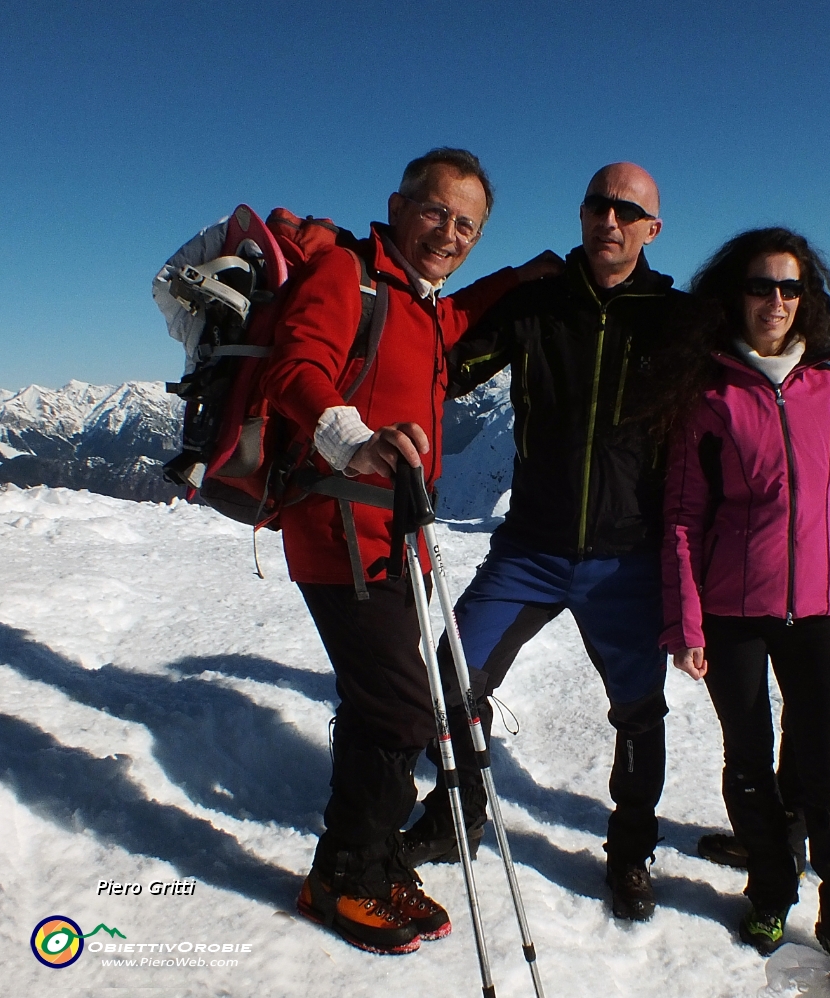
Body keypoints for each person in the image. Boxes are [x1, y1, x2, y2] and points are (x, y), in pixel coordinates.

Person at [259, 148, 561, 954]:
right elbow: (296, 370)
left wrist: (519, 280)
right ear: (398, 205)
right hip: (339, 532)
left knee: (380, 701)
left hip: (392, 540)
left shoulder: (418, 303)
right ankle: (343, 877)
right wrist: (349, 438)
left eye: (468, 225)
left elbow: (453, 320)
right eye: (436, 212)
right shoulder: (348, 278)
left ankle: (378, 858)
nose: (450, 233)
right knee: (398, 706)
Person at [402, 163, 688, 921]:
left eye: (629, 211)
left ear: (652, 229)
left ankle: (629, 853)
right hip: (530, 548)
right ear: (583, 212)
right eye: (598, 204)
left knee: (638, 713)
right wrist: (504, 281)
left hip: (627, 557)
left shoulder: (676, 320)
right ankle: (456, 810)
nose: (610, 220)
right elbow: (442, 364)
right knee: (451, 683)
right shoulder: (535, 305)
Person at [659, 227, 830, 959]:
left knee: (822, 761)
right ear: (736, 295)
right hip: (733, 610)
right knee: (749, 761)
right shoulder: (711, 393)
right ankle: (768, 889)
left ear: (806, 298)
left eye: (791, 287)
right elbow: (685, 516)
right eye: (762, 286)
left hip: (822, 606)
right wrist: (686, 622)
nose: (777, 301)